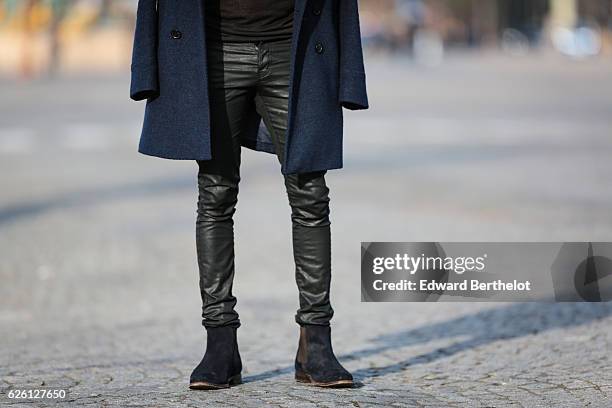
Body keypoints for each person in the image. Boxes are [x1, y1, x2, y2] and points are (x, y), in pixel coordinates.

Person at [130, 0, 369, 390]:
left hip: (299, 45)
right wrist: (145, 69)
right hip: (211, 46)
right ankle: (220, 345)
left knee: (310, 195)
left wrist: (350, 76)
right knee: (216, 195)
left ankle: (316, 342)